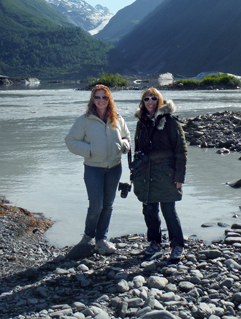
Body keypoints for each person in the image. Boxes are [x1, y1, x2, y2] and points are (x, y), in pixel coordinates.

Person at [65, 84, 130, 255]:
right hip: (93, 168)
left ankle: (102, 239)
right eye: (97, 97)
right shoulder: (84, 120)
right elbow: (70, 140)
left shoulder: (118, 119)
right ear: (92, 100)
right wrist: (89, 151)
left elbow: (126, 137)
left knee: (108, 205)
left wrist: (124, 145)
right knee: (96, 205)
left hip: (115, 168)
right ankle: (88, 236)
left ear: (109, 100)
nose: (101, 100)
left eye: (104, 97)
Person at [133, 87, 187, 261]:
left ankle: (177, 245)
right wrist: (134, 172)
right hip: (145, 174)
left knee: (169, 210)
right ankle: (154, 243)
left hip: (166, 175)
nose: (150, 102)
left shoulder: (170, 122)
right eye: (147, 99)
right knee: (149, 210)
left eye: (154, 99)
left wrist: (179, 176)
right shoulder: (141, 123)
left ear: (160, 101)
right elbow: (137, 149)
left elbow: (181, 150)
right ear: (143, 102)